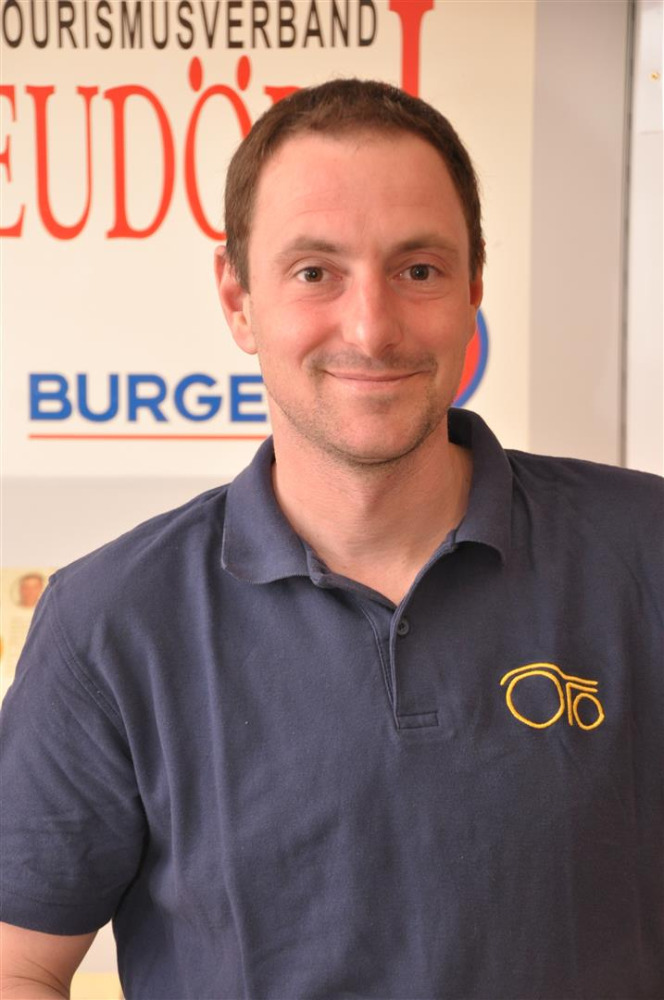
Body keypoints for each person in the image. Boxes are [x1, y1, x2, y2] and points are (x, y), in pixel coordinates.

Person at [1, 79, 662, 999]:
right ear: (238, 298)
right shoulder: (109, 622)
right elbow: (20, 966)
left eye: (418, 269)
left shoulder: (646, 552)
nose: (371, 327)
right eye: (316, 272)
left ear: (474, 287)